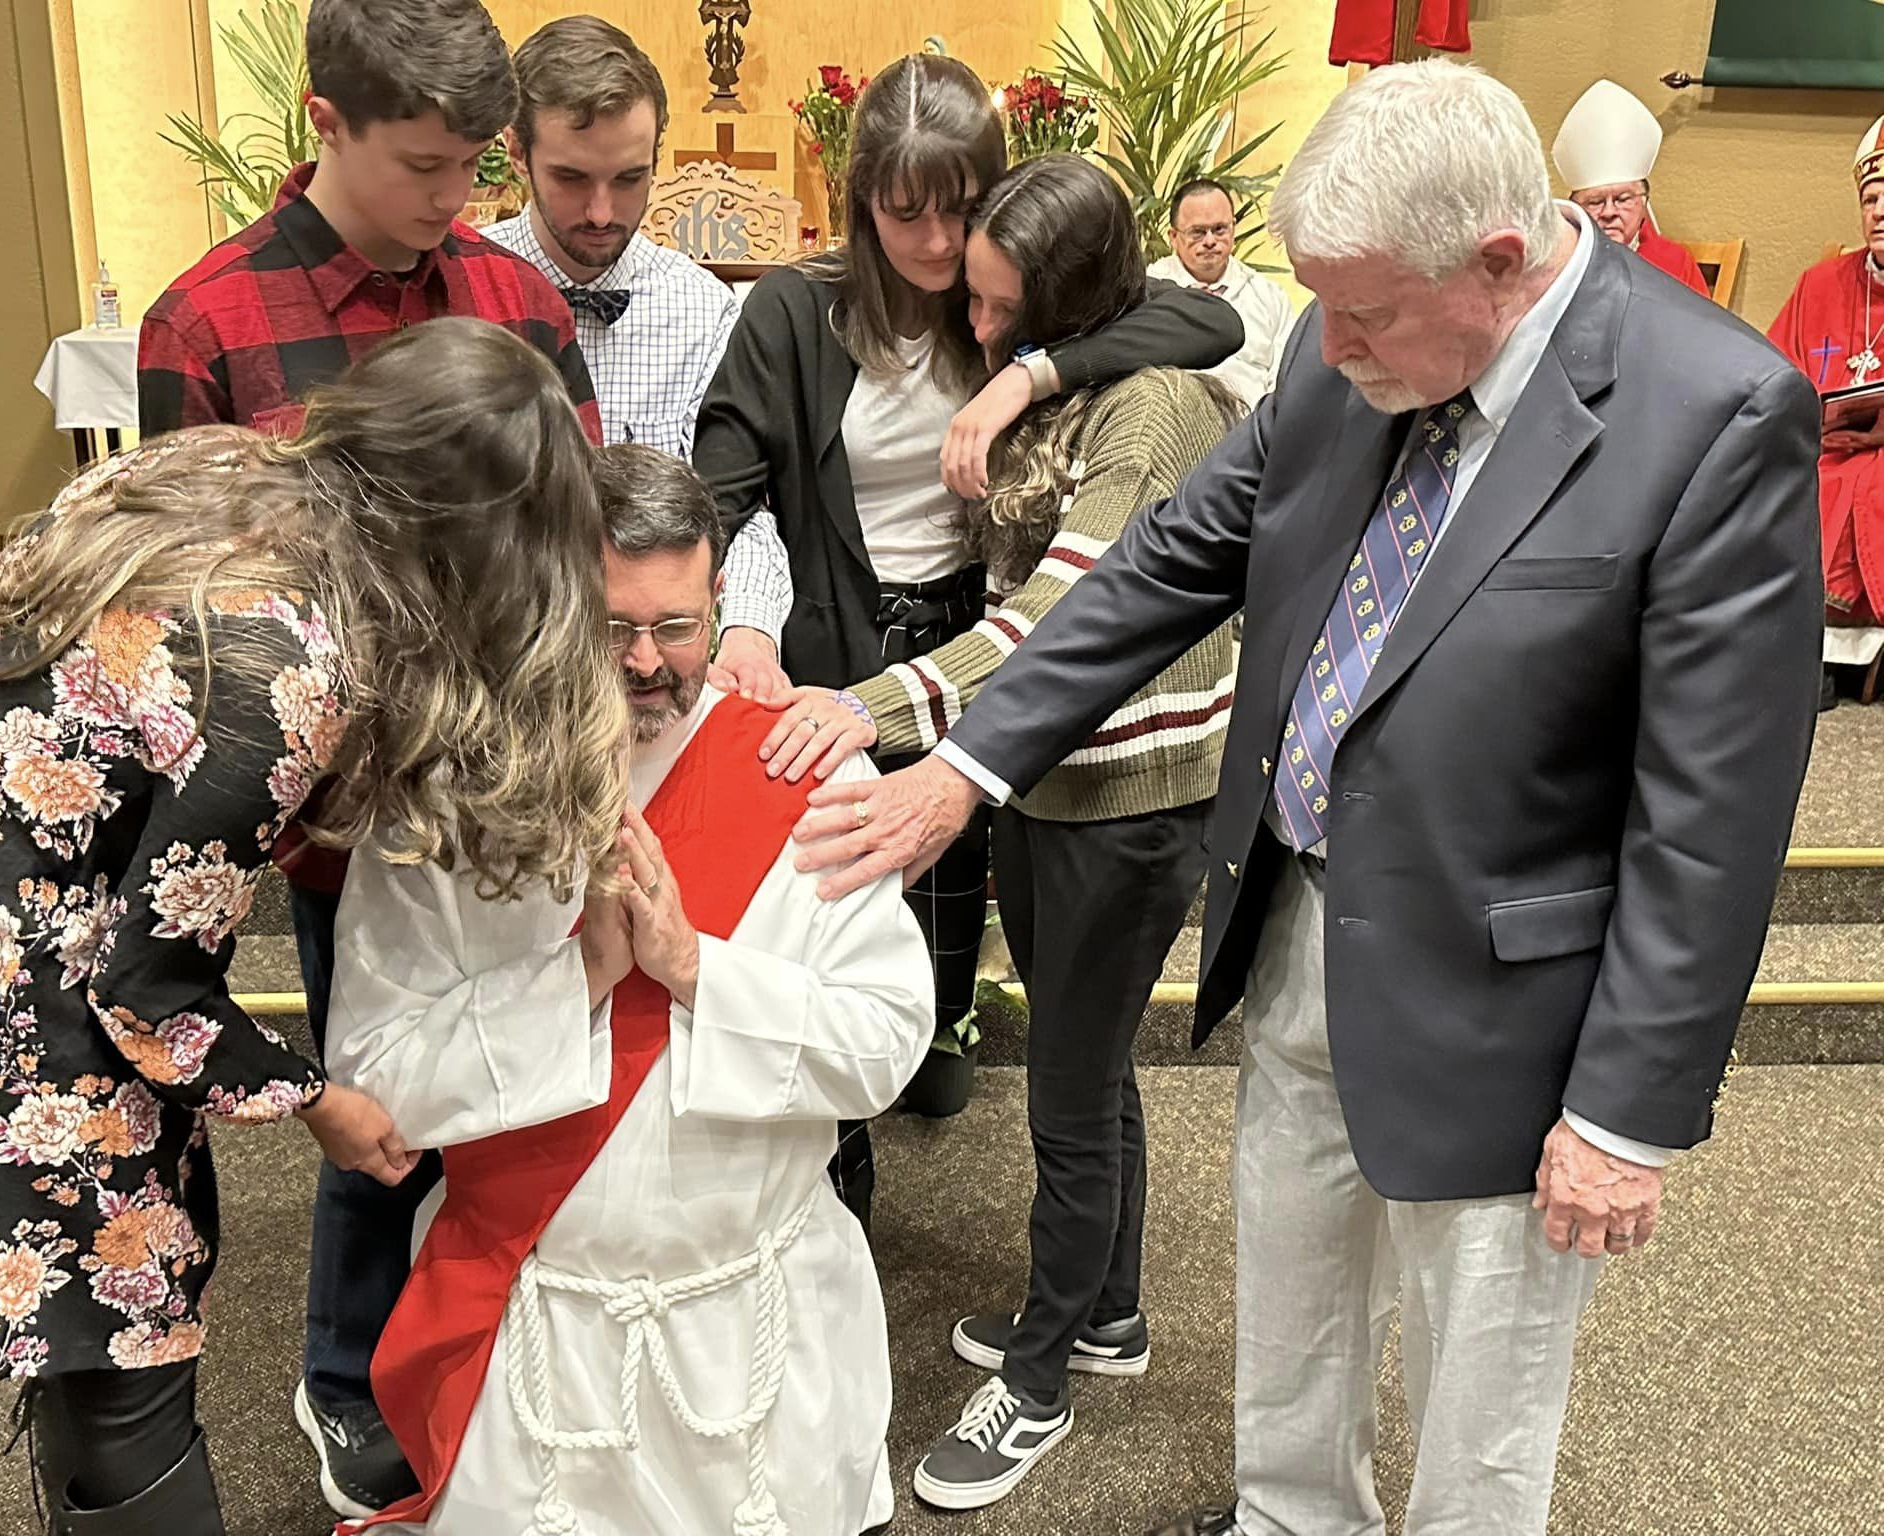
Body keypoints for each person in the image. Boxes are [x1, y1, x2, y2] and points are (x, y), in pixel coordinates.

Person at [789, 60, 1821, 1536]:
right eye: (1320, 308)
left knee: (1478, 1394)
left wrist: (1624, 1113)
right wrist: (964, 763)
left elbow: (1711, 810)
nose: (1327, 350)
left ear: (1499, 262)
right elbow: (1161, 565)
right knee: (1289, 1316)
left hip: (1510, 1007)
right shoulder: (1350, 352)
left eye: (1365, 314)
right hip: (1297, 925)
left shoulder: (1713, 410)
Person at [0, 317, 630, 1534]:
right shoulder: (280, 672)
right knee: (126, 1300)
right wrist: (315, 1098)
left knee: (96, 1302)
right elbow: (147, 991)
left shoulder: (221, 465)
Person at [135, 0, 603, 1512]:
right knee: (378, 1101)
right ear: (325, 123)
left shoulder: (513, 298)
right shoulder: (209, 323)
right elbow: (191, 610)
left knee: (516, 1075)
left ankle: (483, 1345)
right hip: (328, 807)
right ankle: (348, 1377)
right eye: (422, 165)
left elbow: (572, 527)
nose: (453, 200)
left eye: (476, 166)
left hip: (510, 784)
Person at [322, 444, 933, 1536]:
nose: (647, 662)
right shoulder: (452, 791)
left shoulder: (805, 773)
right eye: (611, 628)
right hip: (534, 1331)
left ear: (720, 598)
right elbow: (377, 1082)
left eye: (678, 625)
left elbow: (884, 1046)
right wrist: (584, 976)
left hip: (759, 1327)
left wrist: (694, 968)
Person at [752, 155, 1240, 1510]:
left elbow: (1053, 625)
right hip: (1048, 776)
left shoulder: (1148, 411)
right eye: (972, 302)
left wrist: (868, 710)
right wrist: (1023, 371)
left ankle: (1038, 1380)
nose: (975, 328)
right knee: (1091, 1063)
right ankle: (1105, 1310)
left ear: (1073, 298)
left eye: (1001, 310)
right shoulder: (1071, 369)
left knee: (1069, 1094)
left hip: (1126, 794)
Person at [694, 54, 1243, 1232]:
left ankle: (935, 1025)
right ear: (859, 201)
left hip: (981, 639)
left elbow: (1210, 317)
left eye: (960, 207)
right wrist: (744, 623)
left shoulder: (1002, 293)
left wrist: (1020, 377)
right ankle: (827, 1180)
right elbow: (724, 491)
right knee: (821, 915)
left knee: (945, 961)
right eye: (906, 212)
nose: (938, 242)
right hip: (841, 644)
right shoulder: (793, 309)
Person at [481, 15, 790, 671]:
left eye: (628, 179)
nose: (601, 211)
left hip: (654, 664)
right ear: (516, 150)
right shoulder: (464, 287)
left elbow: (743, 508)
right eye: (571, 178)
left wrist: (750, 630)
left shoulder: (704, 310)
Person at [1769, 114, 1884, 707]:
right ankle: (1808, 651)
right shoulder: (1820, 284)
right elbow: (1771, 375)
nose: (1880, 212)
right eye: (1871, 199)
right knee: (1792, 480)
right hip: (1821, 449)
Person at [1550, 78, 1710, 298]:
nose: (1609, 212)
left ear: (1644, 202)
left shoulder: (1675, 262)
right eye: (1595, 202)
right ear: (1575, 207)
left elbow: (1700, 320)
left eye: (1623, 199)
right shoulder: (1558, 261)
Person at [1147, 177, 1296, 408]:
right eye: (1198, 232)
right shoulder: (1147, 293)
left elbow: (1285, 381)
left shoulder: (1268, 297)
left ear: (1233, 228)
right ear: (1173, 237)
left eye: (1219, 230)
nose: (1210, 241)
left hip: (1253, 425)